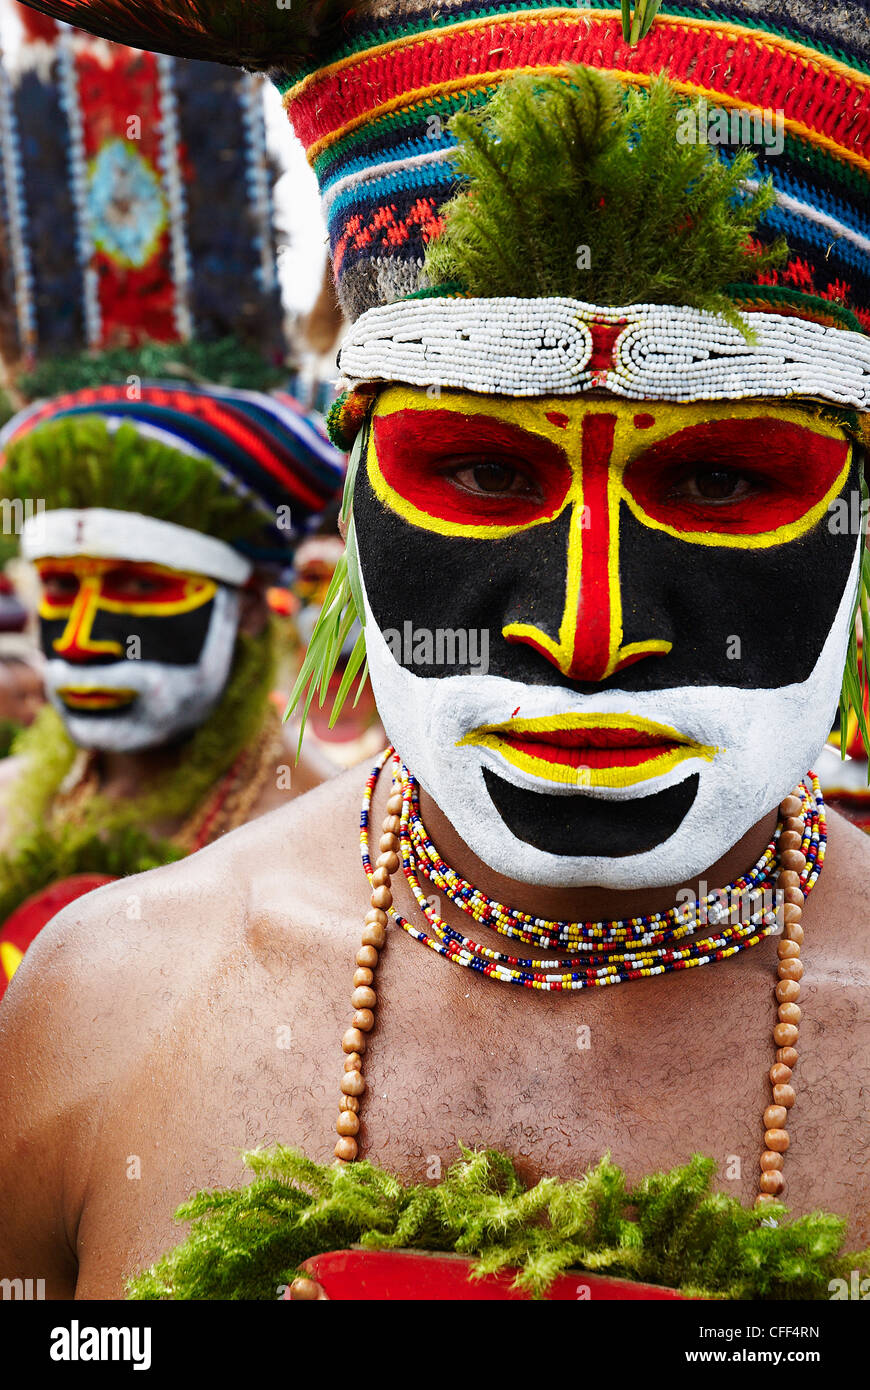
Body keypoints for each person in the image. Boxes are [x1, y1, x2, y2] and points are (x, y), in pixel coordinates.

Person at [1, 0, 869, 1301]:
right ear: (353, 492)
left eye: (722, 480)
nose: (583, 634)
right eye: (475, 465)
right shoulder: (103, 998)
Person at [0, 381, 344, 997]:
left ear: (248, 610)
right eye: (59, 587)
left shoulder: (328, 839)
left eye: (136, 588)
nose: (81, 640)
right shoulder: (13, 797)